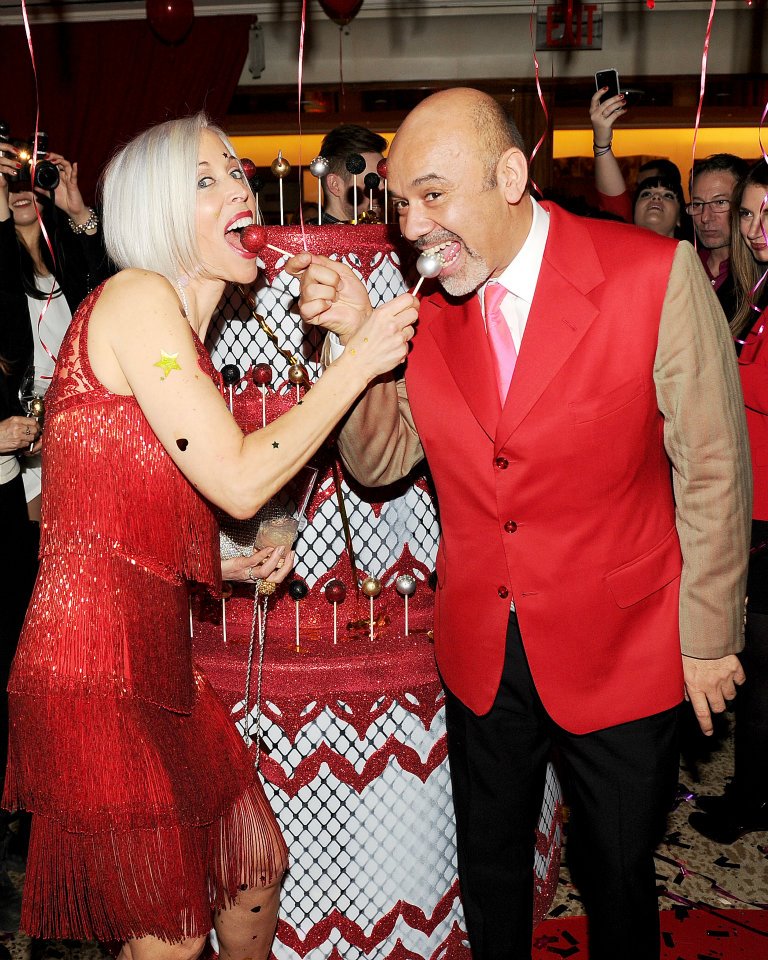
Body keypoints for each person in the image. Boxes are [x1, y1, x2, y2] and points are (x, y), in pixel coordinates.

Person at [289, 88, 751, 960]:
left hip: (624, 643)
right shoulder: (428, 307)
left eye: (432, 196)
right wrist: (354, 339)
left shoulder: (654, 275)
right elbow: (379, 463)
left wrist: (708, 635)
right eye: (400, 204)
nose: (412, 228)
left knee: (616, 873)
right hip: (482, 651)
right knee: (490, 872)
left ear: (510, 176)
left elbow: (714, 464)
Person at [1, 113, 417, 960]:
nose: (238, 189)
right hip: (92, 668)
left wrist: (222, 562)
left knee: (252, 870)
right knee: (173, 935)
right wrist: (360, 356)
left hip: (157, 659)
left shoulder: (177, 336)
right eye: (204, 179)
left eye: (235, 171)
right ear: (155, 211)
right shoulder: (138, 298)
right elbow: (236, 478)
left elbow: (113, 508)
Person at [689, 161, 768, 844]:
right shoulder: (755, 293)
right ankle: (750, 792)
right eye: (748, 214)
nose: (755, 229)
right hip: (749, 505)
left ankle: (750, 798)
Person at [0, 143, 109, 521]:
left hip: (80, 418)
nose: (20, 192)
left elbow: (112, 288)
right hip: (24, 428)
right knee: (34, 541)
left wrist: (77, 211)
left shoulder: (68, 258)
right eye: (10, 182)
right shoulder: (3, 270)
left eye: (29, 182)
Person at [589, 88, 689, 240]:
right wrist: (601, 142)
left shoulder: (695, 253)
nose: (656, 198)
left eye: (668, 195)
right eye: (646, 194)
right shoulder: (621, 235)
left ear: (680, 217)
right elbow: (614, 201)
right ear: (633, 212)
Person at [685, 154, 749, 321]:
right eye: (697, 204)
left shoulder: (758, 276)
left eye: (720, 202)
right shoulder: (683, 266)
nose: (705, 217)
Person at [310, 123, 387, 224]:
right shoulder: (307, 234)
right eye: (373, 180)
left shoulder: (384, 231)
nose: (384, 188)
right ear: (335, 185)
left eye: (384, 181)